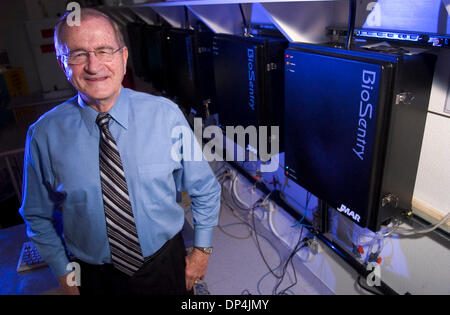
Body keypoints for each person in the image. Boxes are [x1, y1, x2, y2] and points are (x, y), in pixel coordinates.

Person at [19, 8, 221, 295]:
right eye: (78, 54)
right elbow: (37, 216)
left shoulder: (166, 116)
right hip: (95, 278)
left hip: (165, 267)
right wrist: (65, 275)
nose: (93, 65)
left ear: (124, 57)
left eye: (104, 50)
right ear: (63, 64)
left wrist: (201, 252)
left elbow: (205, 188)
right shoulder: (43, 135)